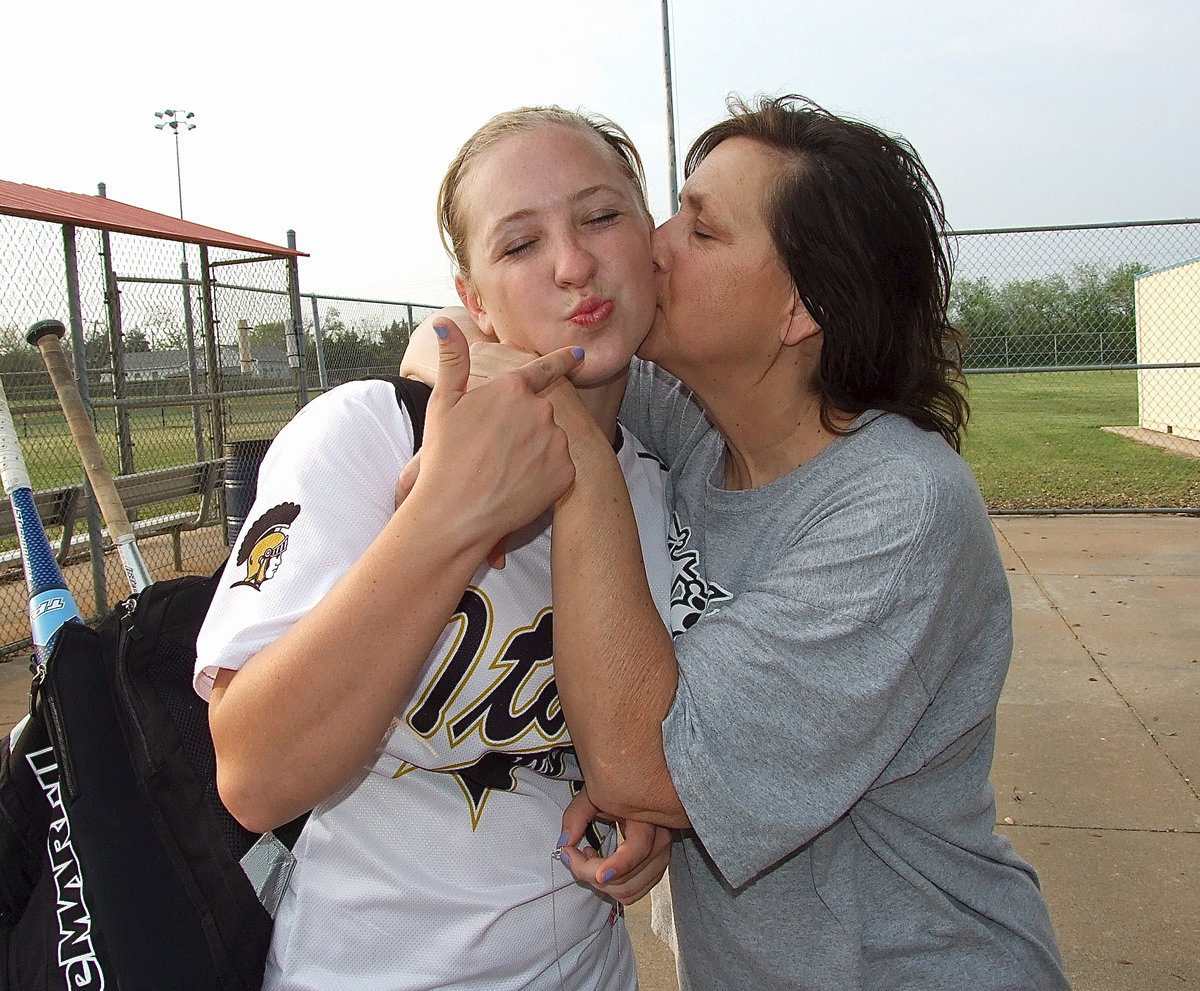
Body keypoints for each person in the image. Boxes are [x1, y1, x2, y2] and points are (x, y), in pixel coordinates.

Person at [416, 95, 1072, 990]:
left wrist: (581, 458)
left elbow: (642, 763)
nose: (651, 243)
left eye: (702, 229)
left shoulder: (895, 509)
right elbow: (451, 337)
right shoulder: (697, 423)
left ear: (801, 307)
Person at [194, 105, 675, 991]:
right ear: (474, 299)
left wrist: (650, 811)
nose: (574, 265)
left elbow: (656, 750)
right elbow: (255, 775)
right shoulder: (370, 434)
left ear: (653, 240)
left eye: (602, 216)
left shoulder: (668, 487)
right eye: (520, 244)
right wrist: (445, 516)